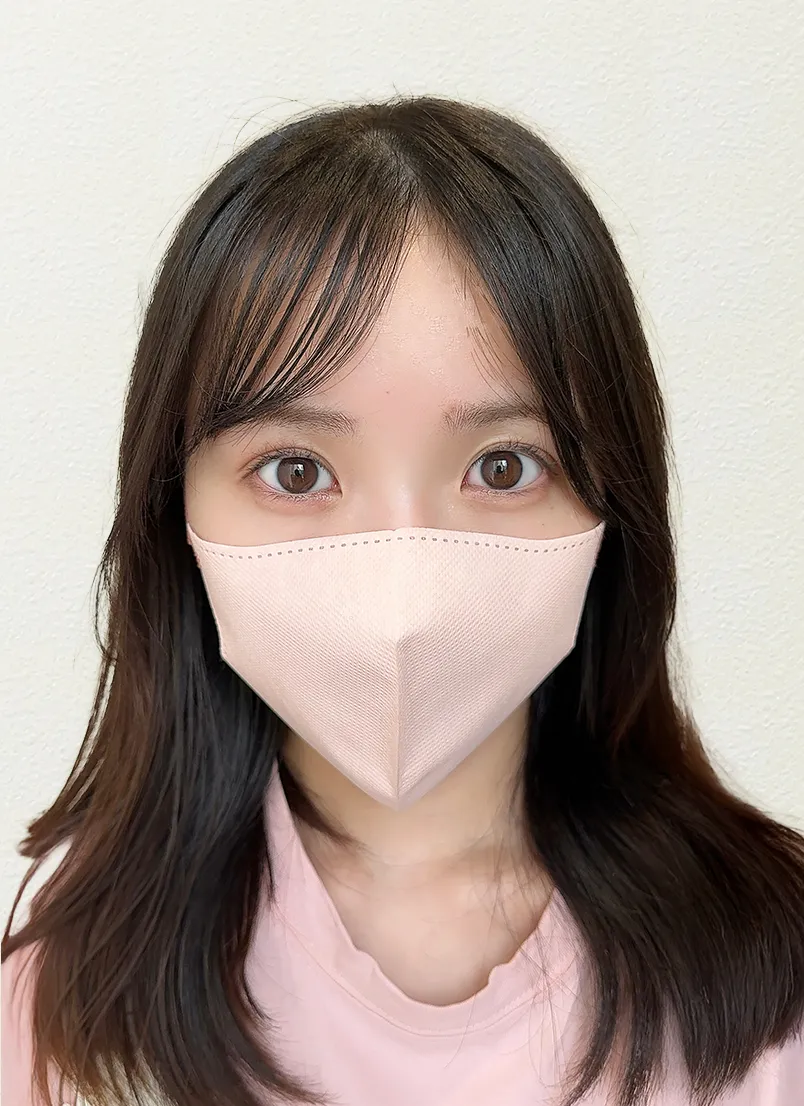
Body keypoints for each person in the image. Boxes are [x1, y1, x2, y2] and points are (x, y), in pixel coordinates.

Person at [2, 94, 803, 1106]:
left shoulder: (776, 970)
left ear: (615, 501)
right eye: (296, 470)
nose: (402, 582)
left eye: (502, 466)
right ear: (174, 511)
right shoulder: (68, 1002)